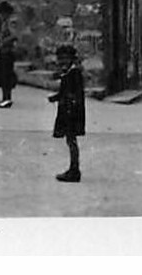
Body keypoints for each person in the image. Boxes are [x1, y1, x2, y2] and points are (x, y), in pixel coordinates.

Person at [48, 44, 86, 183]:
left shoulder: (73, 74)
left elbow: (75, 94)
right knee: (70, 140)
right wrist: (56, 97)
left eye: (65, 59)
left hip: (71, 112)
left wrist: (68, 105)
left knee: (71, 140)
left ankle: (74, 169)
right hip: (69, 110)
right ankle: (73, 168)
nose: (62, 62)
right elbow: (66, 92)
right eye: (60, 59)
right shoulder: (69, 73)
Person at [0, 12, 19, 109]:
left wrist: (2, 43)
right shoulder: (4, 25)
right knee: (4, 76)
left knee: (6, 76)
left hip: (7, 53)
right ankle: (5, 97)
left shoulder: (9, 25)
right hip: (4, 53)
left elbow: (14, 37)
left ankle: (7, 98)